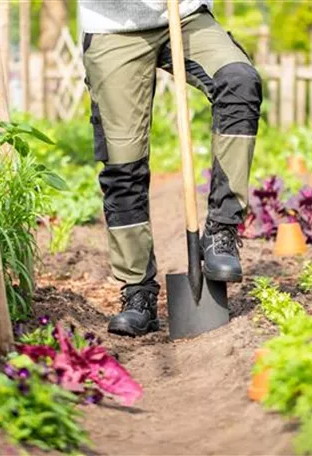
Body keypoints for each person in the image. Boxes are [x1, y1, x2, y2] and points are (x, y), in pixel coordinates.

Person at [79, 1, 262, 337]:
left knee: (239, 81)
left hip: (185, 14)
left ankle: (221, 231)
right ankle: (138, 294)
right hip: (112, 25)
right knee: (123, 163)